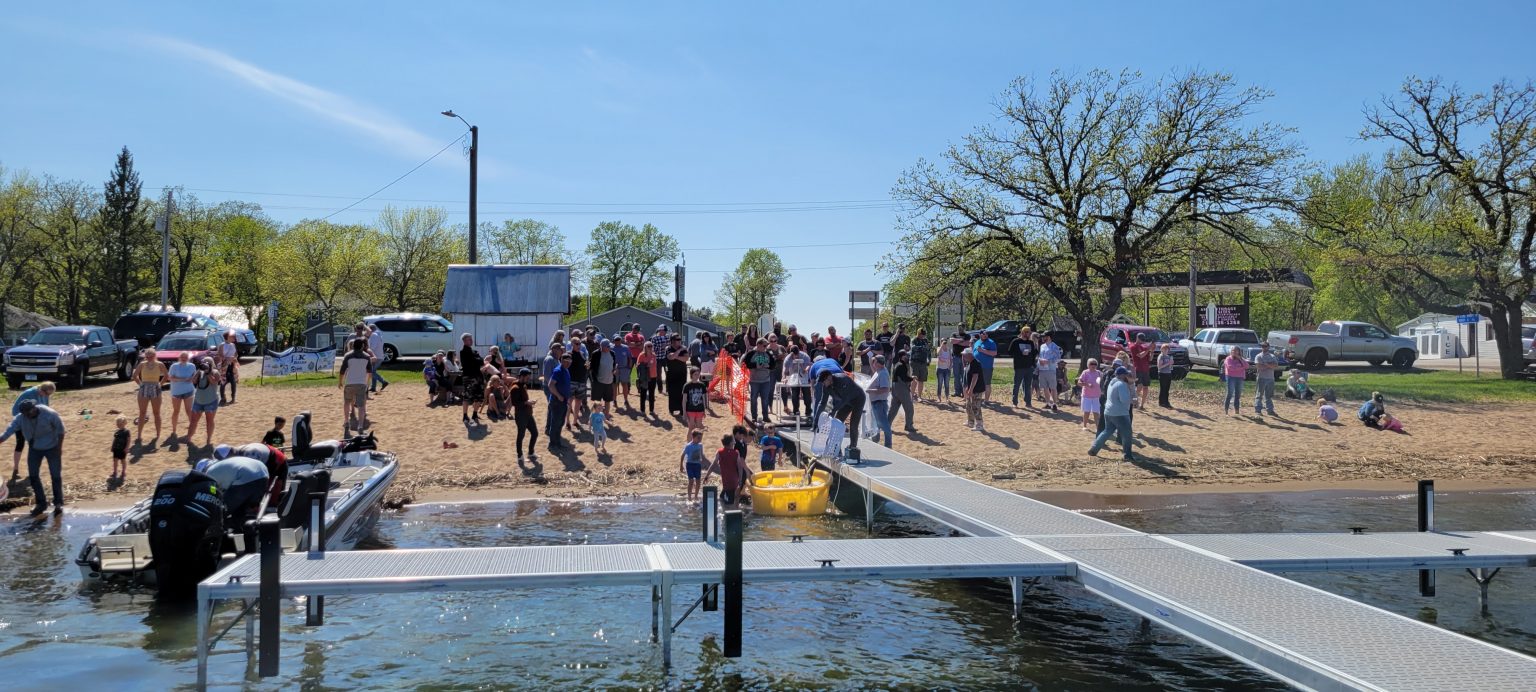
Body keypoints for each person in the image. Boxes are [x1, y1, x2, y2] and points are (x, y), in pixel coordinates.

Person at [0, 400, 66, 516]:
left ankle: (58, 503)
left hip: (53, 447)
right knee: (33, 476)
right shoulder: (20, 418)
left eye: (29, 411)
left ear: (34, 407)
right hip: (34, 449)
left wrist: (59, 448)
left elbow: (61, 430)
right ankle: (41, 504)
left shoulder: (49, 413)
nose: (28, 415)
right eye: (25, 413)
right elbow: (8, 431)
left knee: (55, 476)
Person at [197, 455, 269, 528]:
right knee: (239, 505)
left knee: (221, 508)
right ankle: (240, 526)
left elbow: (213, 493)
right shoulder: (221, 465)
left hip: (246, 478)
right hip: (263, 475)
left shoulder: (209, 472)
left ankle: (217, 529)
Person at [814, 367, 867, 457]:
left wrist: (833, 411)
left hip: (858, 399)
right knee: (836, 423)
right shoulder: (825, 386)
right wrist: (816, 420)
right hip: (845, 402)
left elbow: (845, 399)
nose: (823, 384)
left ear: (829, 377)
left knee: (853, 424)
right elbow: (822, 403)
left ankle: (853, 447)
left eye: (824, 381)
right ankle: (836, 449)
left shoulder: (842, 379)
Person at [9, 382, 54, 482]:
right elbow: (15, 410)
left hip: (34, 421)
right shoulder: (29, 394)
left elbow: (45, 408)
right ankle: (15, 469)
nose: (48, 396)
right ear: (41, 390)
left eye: (49, 395)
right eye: (47, 394)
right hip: (21, 420)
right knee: (20, 443)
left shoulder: (45, 395)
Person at [1089, 367, 1135, 461]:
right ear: (1122, 375)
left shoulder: (1111, 382)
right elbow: (1124, 400)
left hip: (1108, 411)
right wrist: (1132, 399)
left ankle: (1094, 449)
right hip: (1119, 413)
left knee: (1107, 431)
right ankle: (1128, 455)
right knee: (1127, 434)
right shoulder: (1121, 384)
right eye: (1126, 374)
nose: (1127, 376)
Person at [703, 433, 751, 508]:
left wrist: (707, 476)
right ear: (731, 443)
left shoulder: (720, 452)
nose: (734, 441)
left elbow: (713, 465)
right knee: (729, 500)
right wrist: (740, 481)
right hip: (733, 481)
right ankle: (733, 512)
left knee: (725, 498)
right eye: (733, 440)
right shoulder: (736, 453)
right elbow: (740, 468)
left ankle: (730, 510)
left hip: (726, 481)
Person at [186, 358, 222, 446]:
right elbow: (193, 381)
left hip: (211, 401)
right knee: (193, 420)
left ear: (212, 364)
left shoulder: (215, 372)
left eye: (208, 363)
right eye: (204, 362)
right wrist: (199, 371)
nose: (205, 364)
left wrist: (208, 372)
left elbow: (214, 382)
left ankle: (208, 439)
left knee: (209, 420)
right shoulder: (199, 372)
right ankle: (189, 438)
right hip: (198, 400)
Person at [132, 349, 167, 440]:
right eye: (147, 356)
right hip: (144, 387)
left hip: (155, 387)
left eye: (151, 356)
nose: (149, 358)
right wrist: (140, 384)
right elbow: (135, 375)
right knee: (142, 412)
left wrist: (160, 384)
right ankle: (139, 435)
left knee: (156, 412)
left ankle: (158, 434)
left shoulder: (160, 364)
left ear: (154, 355)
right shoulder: (142, 364)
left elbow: (166, 375)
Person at [743, 338, 777, 423]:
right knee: (753, 399)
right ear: (758, 345)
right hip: (754, 381)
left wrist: (768, 366)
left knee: (765, 399)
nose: (766, 347)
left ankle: (765, 416)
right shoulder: (751, 353)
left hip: (766, 381)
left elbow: (773, 365)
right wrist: (755, 365)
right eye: (764, 345)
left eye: (766, 346)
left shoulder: (768, 354)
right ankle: (754, 417)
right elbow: (745, 363)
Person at [509, 368, 539, 462]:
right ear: (521, 376)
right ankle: (520, 456)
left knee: (535, 433)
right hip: (521, 415)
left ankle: (530, 453)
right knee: (521, 436)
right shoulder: (515, 388)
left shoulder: (523, 386)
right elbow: (515, 403)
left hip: (528, 414)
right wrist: (527, 402)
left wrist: (529, 402)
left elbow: (523, 400)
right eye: (527, 377)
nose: (528, 379)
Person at [167, 351, 197, 438]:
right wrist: (183, 379)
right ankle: (174, 429)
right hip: (176, 391)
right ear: (179, 358)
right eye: (182, 357)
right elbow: (170, 378)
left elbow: (194, 377)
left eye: (186, 357)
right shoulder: (174, 366)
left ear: (188, 358)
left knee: (189, 410)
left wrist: (191, 379)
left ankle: (192, 428)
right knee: (176, 411)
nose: (184, 359)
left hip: (189, 390)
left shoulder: (192, 366)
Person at [547, 353, 573, 450]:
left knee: (560, 422)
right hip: (556, 402)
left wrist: (567, 398)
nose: (568, 364)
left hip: (563, 401)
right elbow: (550, 385)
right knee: (555, 423)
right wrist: (558, 396)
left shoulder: (566, 370)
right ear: (561, 361)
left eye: (570, 362)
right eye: (566, 362)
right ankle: (553, 444)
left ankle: (557, 443)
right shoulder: (558, 371)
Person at [1008, 328, 1037, 408]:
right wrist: (1021, 353)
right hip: (1019, 367)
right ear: (1022, 332)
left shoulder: (1031, 342)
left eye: (1029, 332)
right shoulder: (1016, 341)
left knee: (1028, 386)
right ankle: (1015, 402)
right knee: (1016, 385)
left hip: (1029, 367)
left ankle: (1028, 402)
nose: (1028, 334)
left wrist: (1033, 364)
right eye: (1027, 332)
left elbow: (1034, 354)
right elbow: (1009, 352)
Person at [889, 349, 916, 434]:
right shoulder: (901, 365)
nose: (907, 356)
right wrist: (912, 378)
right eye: (905, 355)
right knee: (909, 408)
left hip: (895, 388)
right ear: (901, 356)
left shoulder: (897, 364)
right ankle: (909, 426)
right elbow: (904, 378)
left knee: (893, 408)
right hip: (901, 388)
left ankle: (886, 425)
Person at [781, 344, 812, 417]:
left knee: (807, 395)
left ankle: (808, 412)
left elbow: (808, 364)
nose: (796, 356)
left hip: (804, 377)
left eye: (797, 354)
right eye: (794, 355)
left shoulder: (805, 356)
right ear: (791, 353)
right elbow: (785, 369)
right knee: (794, 395)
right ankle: (796, 412)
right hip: (793, 377)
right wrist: (784, 377)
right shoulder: (788, 358)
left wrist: (805, 369)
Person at [460, 333, 485, 423]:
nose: (471, 340)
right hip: (469, 378)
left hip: (478, 377)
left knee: (479, 397)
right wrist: (477, 359)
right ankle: (465, 415)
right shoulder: (463, 352)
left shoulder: (474, 351)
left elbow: (481, 361)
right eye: (469, 339)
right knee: (466, 397)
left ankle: (474, 414)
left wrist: (477, 360)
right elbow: (471, 363)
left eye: (471, 339)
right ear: (464, 341)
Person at [1252, 342, 1280, 416]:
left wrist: (1266, 364)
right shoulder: (1258, 356)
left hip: (1270, 378)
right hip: (1261, 377)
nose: (1263, 347)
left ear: (1268, 347)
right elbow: (1259, 367)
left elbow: (1276, 366)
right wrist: (1270, 365)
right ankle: (1258, 410)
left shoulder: (1272, 356)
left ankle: (1270, 410)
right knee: (1259, 394)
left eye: (1265, 346)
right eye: (1262, 346)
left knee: (1269, 395)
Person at [665, 335, 689, 417]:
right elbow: (670, 357)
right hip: (671, 374)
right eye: (677, 339)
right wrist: (679, 351)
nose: (679, 341)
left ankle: (681, 410)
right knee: (672, 392)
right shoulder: (668, 348)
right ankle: (672, 409)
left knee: (682, 392)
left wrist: (676, 356)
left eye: (680, 339)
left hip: (682, 373)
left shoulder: (683, 348)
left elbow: (686, 358)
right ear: (672, 341)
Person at [1036, 333, 1061, 411]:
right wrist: (1039, 360)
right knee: (1045, 387)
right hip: (1042, 369)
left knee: (1053, 387)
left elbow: (1058, 358)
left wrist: (1048, 361)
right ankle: (1048, 403)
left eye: (1045, 336)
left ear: (1049, 337)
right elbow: (1040, 355)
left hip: (1051, 369)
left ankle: (1054, 404)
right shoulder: (1042, 346)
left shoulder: (1055, 346)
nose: (1043, 338)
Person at [961, 350, 986, 431]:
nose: (963, 357)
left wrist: (971, 389)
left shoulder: (975, 363)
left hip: (977, 389)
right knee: (968, 405)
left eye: (965, 355)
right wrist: (967, 388)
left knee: (976, 406)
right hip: (971, 388)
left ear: (970, 355)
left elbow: (975, 377)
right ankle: (970, 422)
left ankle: (979, 424)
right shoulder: (969, 363)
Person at [970, 330, 997, 402]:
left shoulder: (991, 342)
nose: (986, 335)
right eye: (984, 334)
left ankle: (986, 400)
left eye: (987, 334)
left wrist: (982, 350)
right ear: (980, 334)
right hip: (976, 366)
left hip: (986, 367)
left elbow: (994, 353)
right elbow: (974, 352)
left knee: (987, 383)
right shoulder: (977, 342)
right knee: (977, 383)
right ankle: (978, 398)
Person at [1221, 346, 1248, 416]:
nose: (1234, 352)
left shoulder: (1241, 359)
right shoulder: (1228, 359)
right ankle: (1226, 411)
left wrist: (1240, 359)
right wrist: (1241, 368)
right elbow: (1230, 368)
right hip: (1231, 377)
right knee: (1230, 393)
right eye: (1233, 350)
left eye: (1236, 351)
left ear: (1239, 352)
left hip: (1240, 378)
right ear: (1231, 351)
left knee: (1237, 395)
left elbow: (1247, 366)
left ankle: (1237, 410)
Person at [680, 429, 705, 503]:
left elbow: (701, 455)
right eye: (698, 438)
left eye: (701, 438)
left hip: (697, 465)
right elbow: (682, 455)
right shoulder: (688, 446)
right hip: (690, 464)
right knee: (691, 481)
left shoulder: (700, 445)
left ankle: (696, 496)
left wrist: (702, 462)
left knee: (698, 480)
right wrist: (681, 465)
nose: (700, 439)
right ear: (693, 437)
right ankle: (689, 497)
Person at [1078, 358, 1103, 431]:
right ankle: (1085, 425)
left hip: (1096, 396)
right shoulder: (1085, 372)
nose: (1093, 365)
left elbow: (1102, 381)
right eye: (1091, 364)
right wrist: (1087, 384)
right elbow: (1079, 382)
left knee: (1096, 412)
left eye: (1095, 364)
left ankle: (1098, 427)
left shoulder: (1099, 373)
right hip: (1087, 395)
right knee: (1087, 411)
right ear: (1088, 365)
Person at [682, 367, 708, 436]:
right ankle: (689, 444)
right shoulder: (687, 386)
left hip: (700, 409)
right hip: (690, 410)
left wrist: (704, 410)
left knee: (699, 427)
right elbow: (684, 400)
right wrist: (684, 412)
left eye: (698, 374)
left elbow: (704, 399)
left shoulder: (702, 385)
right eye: (695, 374)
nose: (697, 376)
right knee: (691, 428)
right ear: (691, 375)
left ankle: (697, 444)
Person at [218, 331, 242, 404]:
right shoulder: (222, 345)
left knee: (233, 381)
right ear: (227, 337)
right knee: (223, 382)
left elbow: (236, 354)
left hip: (232, 365)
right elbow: (220, 355)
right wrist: (227, 358)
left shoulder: (233, 345)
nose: (233, 337)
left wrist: (234, 358)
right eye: (232, 336)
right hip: (225, 366)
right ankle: (223, 398)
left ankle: (233, 398)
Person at [591, 339, 616, 408]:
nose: (610, 348)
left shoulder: (612, 353)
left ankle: (606, 416)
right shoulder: (596, 354)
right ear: (602, 347)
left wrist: (614, 370)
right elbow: (592, 367)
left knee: (608, 400)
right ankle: (595, 416)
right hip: (598, 381)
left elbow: (613, 365)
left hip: (609, 381)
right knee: (597, 401)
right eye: (608, 347)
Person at [636, 342, 658, 416]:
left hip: (653, 376)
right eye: (648, 346)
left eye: (651, 346)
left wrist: (650, 365)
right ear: (645, 347)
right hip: (644, 377)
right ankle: (642, 410)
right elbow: (638, 366)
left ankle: (651, 410)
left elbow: (655, 365)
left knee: (652, 394)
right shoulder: (641, 355)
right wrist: (646, 365)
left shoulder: (654, 355)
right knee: (643, 394)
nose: (650, 348)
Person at [612, 334, 633, 410]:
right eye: (616, 340)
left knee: (625, 384)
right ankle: (614, 400)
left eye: (619, 339)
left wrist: (629, 367)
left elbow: (630, 358)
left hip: (624, 369)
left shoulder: (625, 348)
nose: (618, 341)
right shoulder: (611, 348)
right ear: (613, 340)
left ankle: (626, 400)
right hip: (615, 369)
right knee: (614, 385)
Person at [366, 324, 388, 394]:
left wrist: (367, 351)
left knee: (371, 372)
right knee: (373, 371)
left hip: (376, 356)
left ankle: (383, 382)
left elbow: (373, 347)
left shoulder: (374, 335)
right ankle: (373, 387)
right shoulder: (378, 335)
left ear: (370, 329)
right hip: (378, 356)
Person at [909, 328, 930, 400]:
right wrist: (922, 347)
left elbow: (928, 350)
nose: (922, 336)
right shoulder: (914, 340)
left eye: (923, 334)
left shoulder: (925, 340)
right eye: (921, 334)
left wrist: (928, 359)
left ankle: (919, 396)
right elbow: (913, 348)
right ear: (918, 333)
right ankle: (911, 395)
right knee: (914, 379)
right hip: (915, 361)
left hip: (923, 362)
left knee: (921, 380)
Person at [1156, 343, 1175, 408]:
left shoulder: (1168, 356)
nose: (1166, 350)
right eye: (1164, 349)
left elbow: (1170, 366)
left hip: (1168, 373)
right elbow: (1159, 366)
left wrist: (1171, 364)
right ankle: (1162, 402)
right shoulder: (1161, 356)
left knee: (1167, 389)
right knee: (1163, 388)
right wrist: (1168, 363)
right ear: (1161, 349)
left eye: (1167, 349)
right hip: (1162, 374)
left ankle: (1166, 401)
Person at [111, 415, 130, 481]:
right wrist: (112, 446)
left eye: (120, 424)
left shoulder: (126, 431)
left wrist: (127, 447)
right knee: (115, 460)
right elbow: (115, 439)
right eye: (117, 424)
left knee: (123, 461)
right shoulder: (117, 431)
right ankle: (115, 471)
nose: (118, 425)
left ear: (125, 423)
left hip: (122, 449)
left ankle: (123, 472)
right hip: (116, 448)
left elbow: (128, 440)